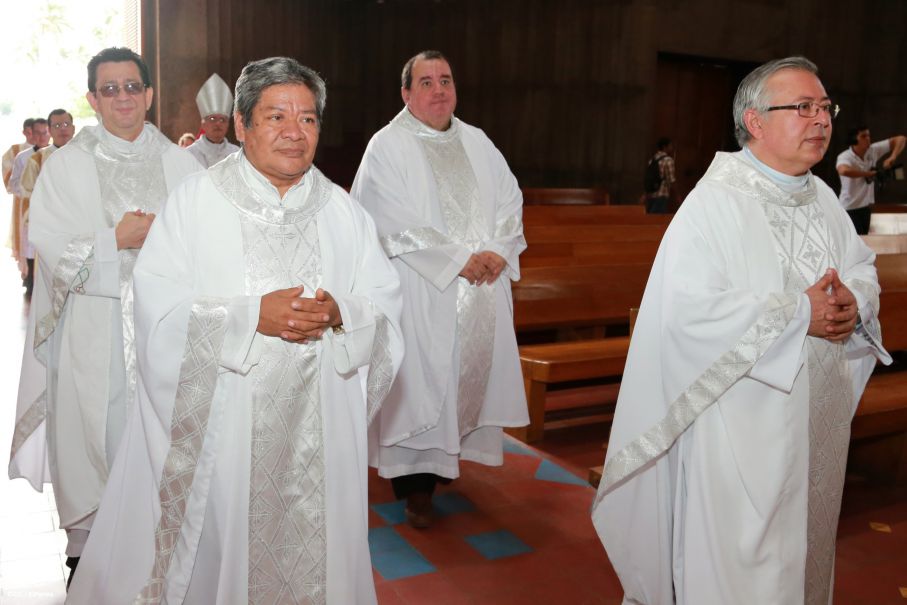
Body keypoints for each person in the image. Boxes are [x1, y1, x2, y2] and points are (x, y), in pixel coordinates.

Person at [67, 57, 403, 604]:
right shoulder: (197, 204)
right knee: (226, 554)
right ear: (241, 125)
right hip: (227, 436)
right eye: (276, 117)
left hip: (323, 432)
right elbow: (157, 312)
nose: (295, 132)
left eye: (309, 119)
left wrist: (344, 312)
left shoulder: (344, 212)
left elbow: (386, 304)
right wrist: (250, 319)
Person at [591, 56, 891, 605]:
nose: (821, 120)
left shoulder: (821, 196)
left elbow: (861, 268)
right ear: (755, 122)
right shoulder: (715, 203)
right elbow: (688, 314)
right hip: (741, 425)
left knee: (806, 553)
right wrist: (800, 313)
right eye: (803, 107)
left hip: (815, 412)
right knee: (741, 570)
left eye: (826, 107)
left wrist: (854, 302)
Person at [7, 47, 200, 588]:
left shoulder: (181, 165)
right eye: (109, 89)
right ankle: (86, 567)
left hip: (166, 336)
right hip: (93, 337)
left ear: (149, 94)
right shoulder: (67, 166)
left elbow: (206, 247)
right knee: (98, 443)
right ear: (92, 99)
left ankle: (162, 563)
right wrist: (114, 241)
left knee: (165, 452)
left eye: (131, 87)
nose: (123, 98)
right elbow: (47, 242)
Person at [352, 50, 528, 528]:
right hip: (422, 290)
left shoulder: (478, 141)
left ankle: (444, 467)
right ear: (406, 93)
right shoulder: (386, 146)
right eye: (426, 82)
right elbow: (384, 214)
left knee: (460, 385)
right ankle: (414, 487)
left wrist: (495, 249)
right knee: (420, 385)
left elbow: (511, 197)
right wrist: (457, 259)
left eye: (445, 80)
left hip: (480, 293)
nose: (438, 90)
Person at [17, 109, 76, 297]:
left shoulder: (87, 155)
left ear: (74, 128)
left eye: (66, 124)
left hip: (82, 229)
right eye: (57, 125)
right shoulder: (37, 159)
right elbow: (27, 197)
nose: (62, 129)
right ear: (49, 130)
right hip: (51, 231)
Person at [836, 126, 906, 234]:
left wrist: (892, 157)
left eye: (868, 135)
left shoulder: (873, 150)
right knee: (853, 241)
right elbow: (843, 171)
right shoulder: (845, 156)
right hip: (849, 208)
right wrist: (868, 173)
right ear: (854, 140)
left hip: (865, 207)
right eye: (863, 136)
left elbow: (901, 139)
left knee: (864, 239)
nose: (868, 138)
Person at [9, 118, 49, 265]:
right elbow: (13, 184)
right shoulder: (23, 157)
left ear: (50, 132)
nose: (41, 136)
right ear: (31, 134)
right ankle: (30, 283)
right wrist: (30, 187)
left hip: (53, 212)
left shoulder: (58, 154)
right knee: (32, 254)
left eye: (45, 132)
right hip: (31, 212)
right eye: (37, 133)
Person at [186, 73, 240, 167]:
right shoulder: (189, 154)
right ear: (203, 124)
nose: (218, 123)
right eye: (212, 119)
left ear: (228, 125)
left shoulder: (236, 154)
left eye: (223, 120)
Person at [3, 117, 35, 193]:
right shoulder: (15, 150)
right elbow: (6, 168)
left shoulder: (47, 149)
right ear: (24, 133)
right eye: (28, 133)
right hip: (21, 193)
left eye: (34, 132)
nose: (32, 136)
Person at [644, 137, 675, 214]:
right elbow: (672, 180)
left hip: (651, 194)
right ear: (665, 147)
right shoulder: (668, 160)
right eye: (670, 145)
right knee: (658, 220)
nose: (672, 147)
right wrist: (677, 196)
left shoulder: (652, 159)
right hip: (662, 194)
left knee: (650, 219)